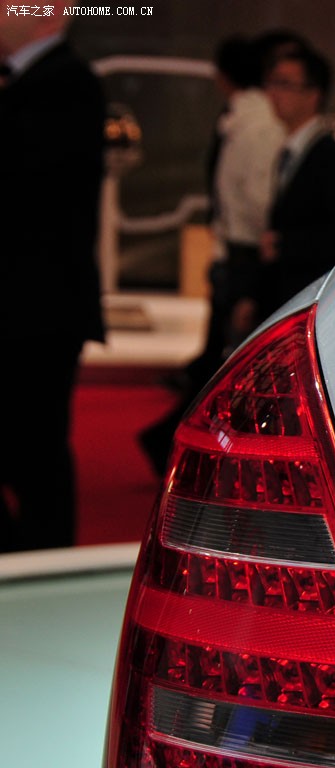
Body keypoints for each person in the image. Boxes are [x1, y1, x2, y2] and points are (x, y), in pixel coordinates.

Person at [140, 35, 287, 476]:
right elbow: (256, 197)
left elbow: (244, 196)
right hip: (243, 252)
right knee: (228, 365)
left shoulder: (246, 120)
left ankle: (174, 445)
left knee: (222, 364)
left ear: (223, 76)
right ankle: (179, 447)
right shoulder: (254, 120)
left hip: (239, 251)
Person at [0, 4, 106, 551]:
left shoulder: (67, 83)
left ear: (49, 14)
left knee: (36, 450)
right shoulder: (35, 81)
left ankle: (41, 564)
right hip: (26, 304)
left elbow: (27, 189)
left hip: (36, 309)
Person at [241, 45, 335, 327]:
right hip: (287, 292)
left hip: (311, 298)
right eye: (272, 83)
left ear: (313, 94)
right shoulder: (294, 149)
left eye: (285, 84)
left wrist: (285, 245)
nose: (274, 93)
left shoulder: (331, 153)